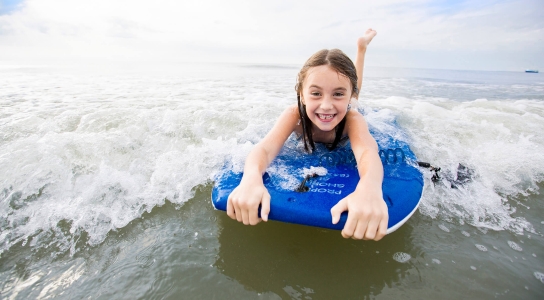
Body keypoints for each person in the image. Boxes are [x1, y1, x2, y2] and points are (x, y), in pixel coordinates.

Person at [227, 29, 387, 241]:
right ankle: (359, 52)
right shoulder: (294, 115)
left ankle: (361, 49)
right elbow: (264, 149)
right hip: (332, 103)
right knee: (347, 91)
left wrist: (370, 187)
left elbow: (368, 152)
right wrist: (251, 178)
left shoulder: (353, 119)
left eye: (338, 94)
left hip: (350, 108)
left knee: (356, 98)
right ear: (302, 94)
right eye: (316, 93)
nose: (326, 105)